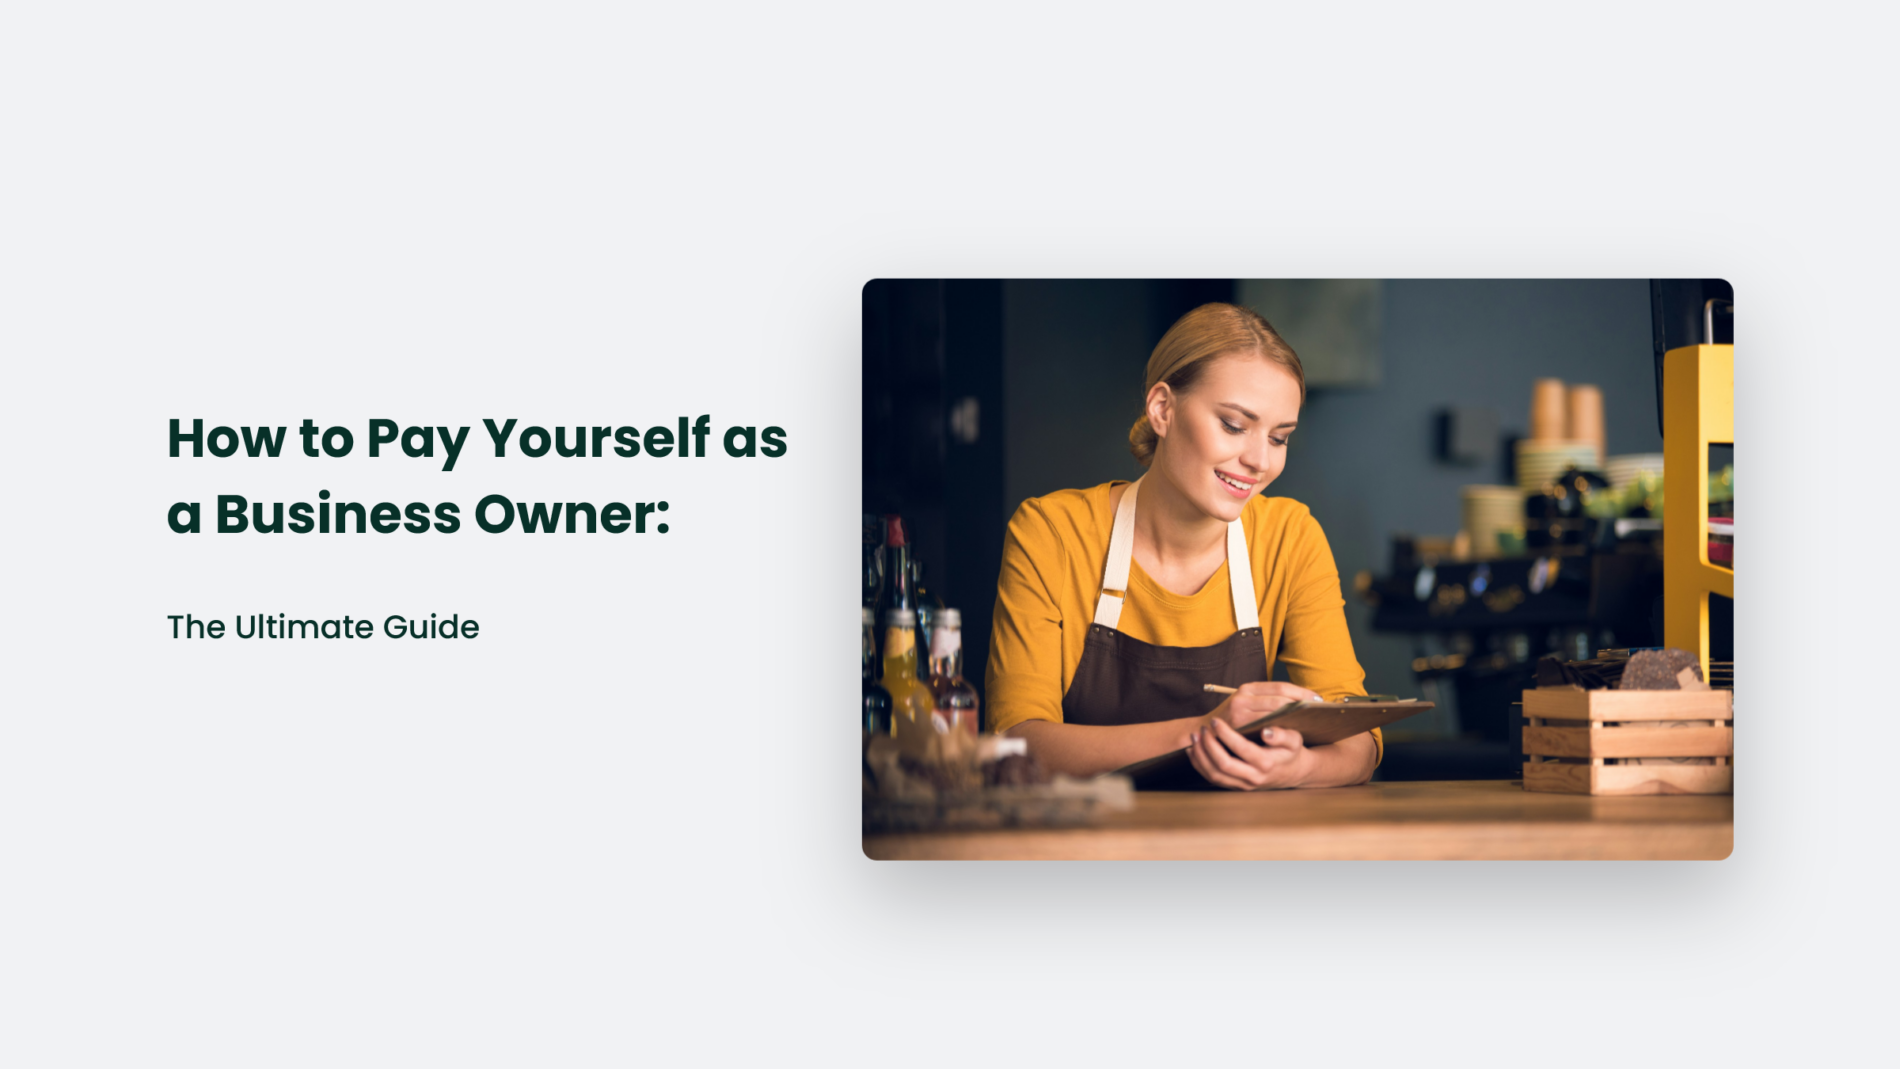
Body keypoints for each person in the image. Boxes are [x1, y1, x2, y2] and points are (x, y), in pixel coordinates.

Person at [985, 303, 1379, 789]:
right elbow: (1018, 745)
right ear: (1162, 409)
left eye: (1278, 438)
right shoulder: (1052, 532)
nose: (1259, 460)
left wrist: (1298, 769)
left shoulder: (1290, 538)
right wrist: (1206, 730)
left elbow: (1359, 741)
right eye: (1234, 425)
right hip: (1087, 845)